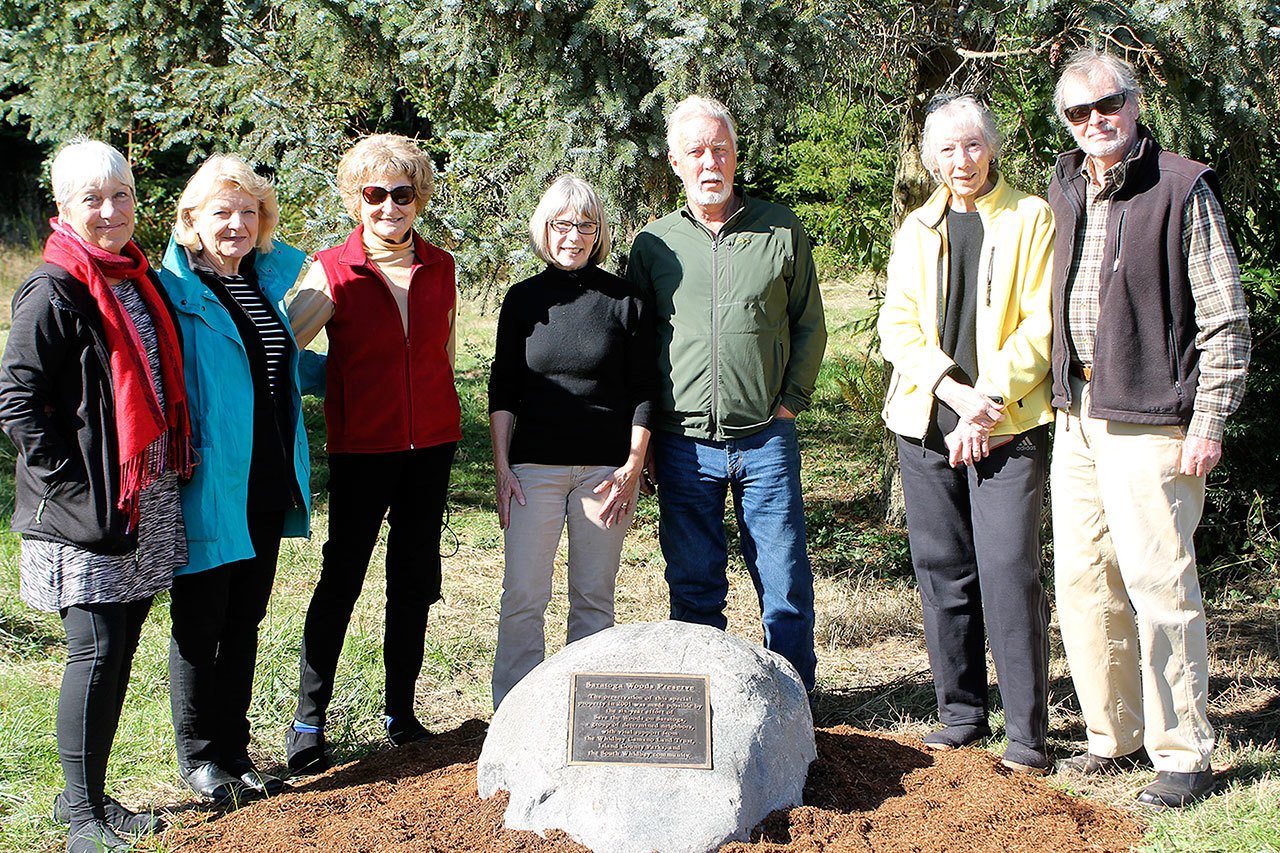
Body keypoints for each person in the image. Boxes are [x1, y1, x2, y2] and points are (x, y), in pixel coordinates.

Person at [1048, 51, 1251, 807]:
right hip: (1077, 417)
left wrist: (1209, 420)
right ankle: (1115, 735)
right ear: (1063, 120)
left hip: (1154, 420)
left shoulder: (1181, 186)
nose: (1095, 121)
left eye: (1108, 105)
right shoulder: (1066, 184)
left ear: (1133, 104)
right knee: (1084, 582)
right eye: (1078, 112)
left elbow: (1226, 318)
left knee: (1160, 585)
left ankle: (1185, 753)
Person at [0, 140, 192, 852]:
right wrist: (74, 488)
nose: (110, 211)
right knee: (95, 650)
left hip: (140, 500)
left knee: (119, 646)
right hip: (87, 511)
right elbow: (17, 403)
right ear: (63, 209)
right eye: (92, 199)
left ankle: (86, 797)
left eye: (121, 196)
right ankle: (83, 822)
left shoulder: (135, 276)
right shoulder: (54, 289)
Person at [878, 95, 1055, 774]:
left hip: (1007, 422)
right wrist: (952, 391)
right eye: (947, 150)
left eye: (973, 145)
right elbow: (900, 327)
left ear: (993, 148)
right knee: (943, 571)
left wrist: (984, 403)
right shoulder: (916, 228)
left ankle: (1028, 739)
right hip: (927, 422)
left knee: (1010, 572)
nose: (962, 160)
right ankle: (960, 714)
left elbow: (1041, 324)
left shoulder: (1030, 218)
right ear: (930, 158)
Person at [627, 95, 827, 690]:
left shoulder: (780, 229)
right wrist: (646, 437)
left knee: (784, 577)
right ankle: (705, 704)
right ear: (676, 163)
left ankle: (796, 699)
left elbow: (808, 322)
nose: (710, 161)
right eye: (696, 152)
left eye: (720, 148)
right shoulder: (653, 245)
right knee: (693, 580)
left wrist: (790, 400)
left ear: (736, 155)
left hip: (765, 436)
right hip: (682, 442)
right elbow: (637, 343)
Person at [284, 134, 460, 771]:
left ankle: (401, 710)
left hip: (432, 445)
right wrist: (332, 383)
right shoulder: (330, 269)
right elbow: (280, 349)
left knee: (413, 581)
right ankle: (308, 719)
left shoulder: (441, 269)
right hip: (363, 447)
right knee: (343, 578)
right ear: (357, 199)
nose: (389, 206)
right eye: (375, 194)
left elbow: (436, 350)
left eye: (402, 194)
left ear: (420, 199)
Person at [157, 155, 314, 801]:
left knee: (243, 621)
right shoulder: (176, 292)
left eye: (249, 211)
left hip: (265, 479)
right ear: (192, 220)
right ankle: (198, 756)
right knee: (201, 622)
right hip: (208, 482)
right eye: (222, 211)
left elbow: (275, 372)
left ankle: (233, 748)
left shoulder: (259, 284)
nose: (237, 223)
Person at [488, 175, 658, 708]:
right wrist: (501, 467)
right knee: (523, 596)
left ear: (599, 233)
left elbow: (645, 390)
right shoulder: (522, 300)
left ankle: (585, 716)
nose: (574, 236)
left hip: (604, 474)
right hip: (532, 470)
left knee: (592, 598)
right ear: (546, 229)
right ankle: (515, 716)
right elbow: (504, 387)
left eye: (587, 226)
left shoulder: (624, 300)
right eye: (563, 224)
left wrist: (633, 467)